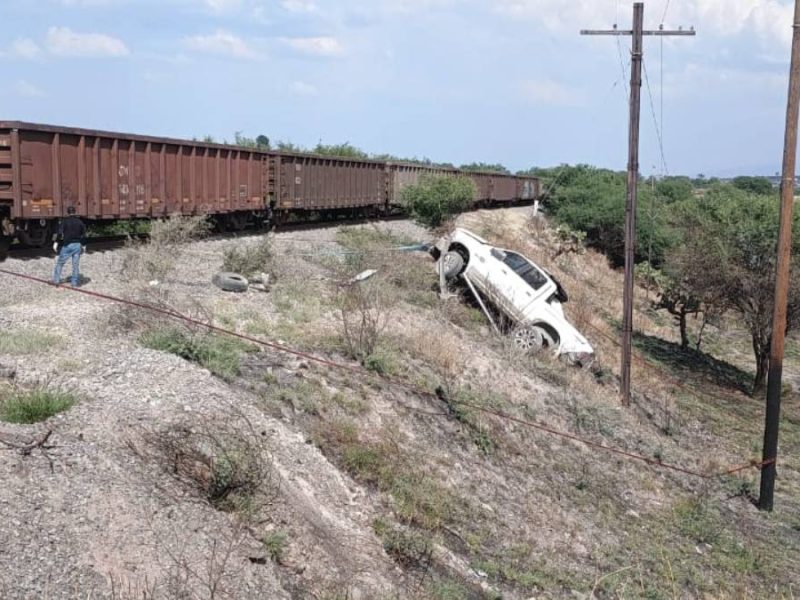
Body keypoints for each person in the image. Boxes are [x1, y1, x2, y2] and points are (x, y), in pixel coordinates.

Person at [52, 206, 86, 288]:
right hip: (77, 245)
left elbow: (60, 233)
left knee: (60, 263)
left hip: (67, 245)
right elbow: (84, 235)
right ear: (75, 211)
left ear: (68, 212)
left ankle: (56, 281)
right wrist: (84, 245)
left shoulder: (64, 221)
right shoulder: (80, 222)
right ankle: (74, 283)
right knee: (75, 265)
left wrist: (56, 242)